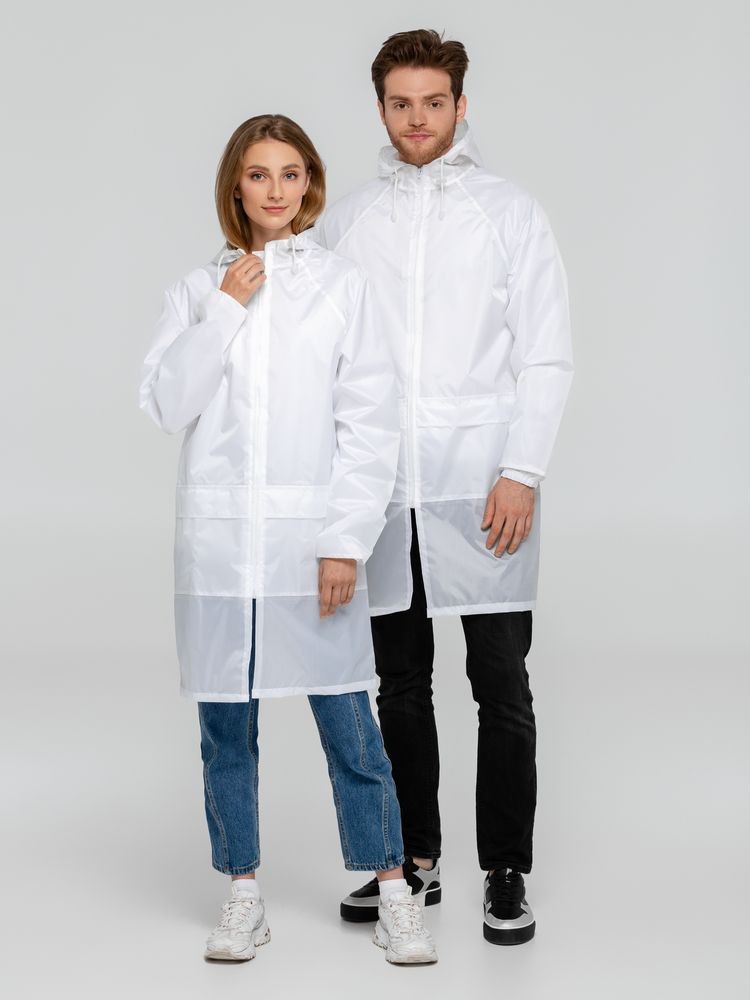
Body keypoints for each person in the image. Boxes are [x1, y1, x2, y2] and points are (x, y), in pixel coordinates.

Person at [138, 113, 437, 965]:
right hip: (222, 551)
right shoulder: (197, 290)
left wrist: (345, 541)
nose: (276, 190)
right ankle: (243, 893)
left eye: (291, 174)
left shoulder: (341, 287)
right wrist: (225, 310)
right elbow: (167, 404)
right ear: (236, 186)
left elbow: (369, 424)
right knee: (226, 730)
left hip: (310, 548)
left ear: (310, 184)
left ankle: (392, 887)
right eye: (259, 174)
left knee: (349, 722)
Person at [315, 30, 574, 945]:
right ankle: (412, 861)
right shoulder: (350, 221)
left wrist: (521, 472)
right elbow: (325, 358)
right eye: (401, 103)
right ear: (381, 109)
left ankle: (506, 870)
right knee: (399, 684)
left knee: (501, 683)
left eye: (433, 102)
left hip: (482, 484)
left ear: (462, 106)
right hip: (386, 489)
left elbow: (546, 353)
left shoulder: (509, 212)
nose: (417, 119)